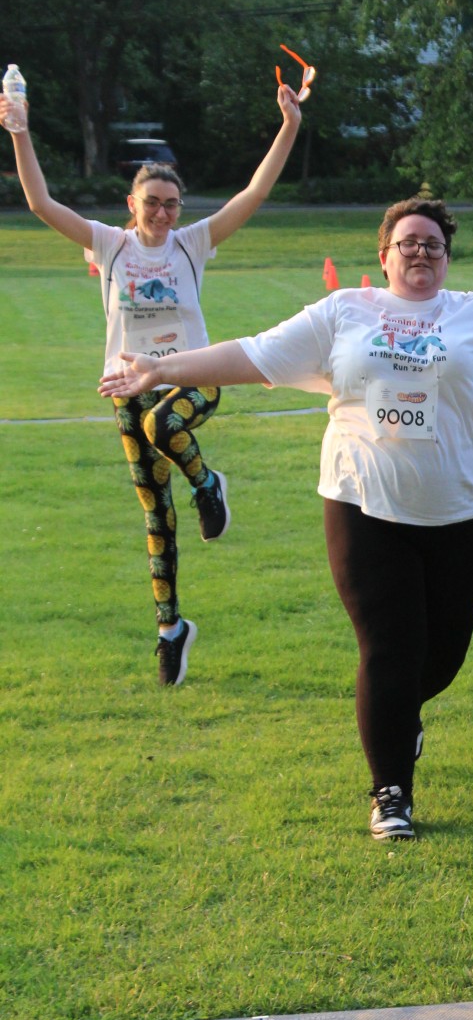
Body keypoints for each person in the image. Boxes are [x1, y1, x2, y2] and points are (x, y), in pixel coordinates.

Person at [98, 196, 473, 839]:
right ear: (384, 256)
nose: (420, 251)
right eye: (407, 242)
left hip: (461, 509)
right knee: (388, 650)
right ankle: (391, 792)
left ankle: (396, 718)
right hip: (363, 503)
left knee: (440, 659)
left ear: (446, 258)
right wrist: (161, 368)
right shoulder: (344, 311)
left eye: (432, 244)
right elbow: (253, 355)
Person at [2, 77, 303, 686]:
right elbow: (39, 203)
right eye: (153, 203)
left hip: (193, 377)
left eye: (172, 204)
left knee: (162, 424)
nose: (163, 213)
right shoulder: (110, 246)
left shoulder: (192, 245)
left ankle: (208, 483)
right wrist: (20, 132)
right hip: (127, 388)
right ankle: (170, 629)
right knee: (156, 516)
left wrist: (290, 125)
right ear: (132, 203)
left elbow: (254, 192)